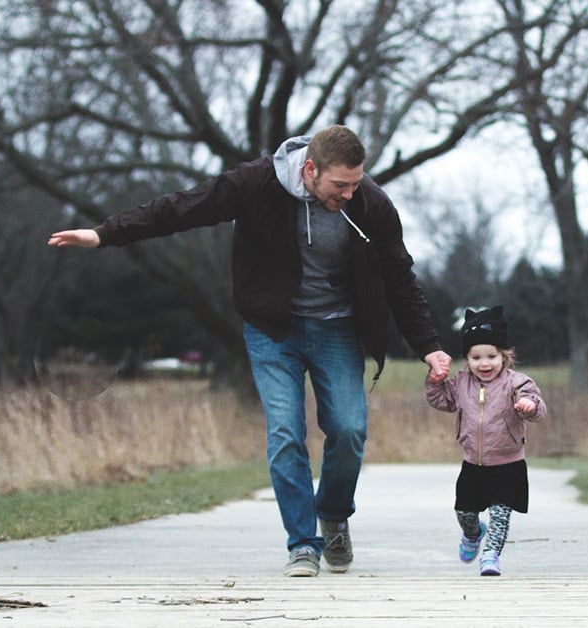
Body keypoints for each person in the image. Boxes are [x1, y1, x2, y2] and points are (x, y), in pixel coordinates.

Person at [48, 125, 452, 577]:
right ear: (310, 169)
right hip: (272, 328)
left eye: (356, 182)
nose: (349, 193)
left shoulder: (370, 204)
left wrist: (429, 348)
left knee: (349, 429)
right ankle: (303, 543)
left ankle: (334, 514)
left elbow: (400, 277)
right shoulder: (257, 182)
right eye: (340, 185)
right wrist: (104, 234)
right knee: (285, 434)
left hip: (336, 328)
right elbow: (183, 208)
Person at [425, 306, 545, 576]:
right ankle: (473, 532)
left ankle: (490, 557)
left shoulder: (517, 384)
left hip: (508, 464)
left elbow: (538, 406)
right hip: (472, 464)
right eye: (476, 357)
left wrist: (529, 405)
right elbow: (440, 400)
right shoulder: (460, 383)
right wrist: (434, 382)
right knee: (465, 513)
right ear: (467, 359)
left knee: (501, 516)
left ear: (504, 356)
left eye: (492, 356)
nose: (485, 363)